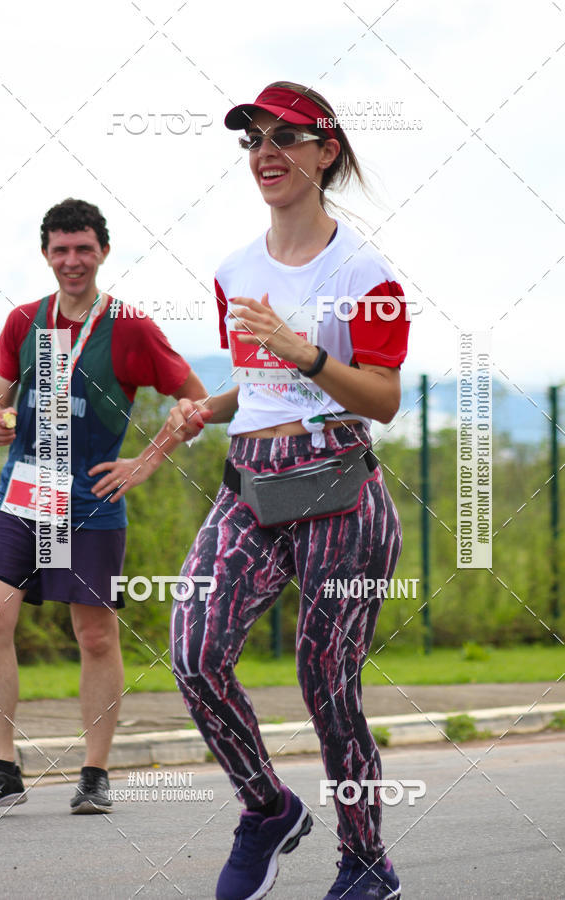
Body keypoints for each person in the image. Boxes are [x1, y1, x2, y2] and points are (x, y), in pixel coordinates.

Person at [167, 82, 410, 899]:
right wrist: (208, 408)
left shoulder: (365, 271)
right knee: (194, 654)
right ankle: (268, 808)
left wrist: (303, 350)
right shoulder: (233, 270)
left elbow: (382, 398)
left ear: (325, 151)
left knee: (325, 682)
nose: (265, 154)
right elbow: (261, 383)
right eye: (253, 141)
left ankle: (366, 862)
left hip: (338, 489)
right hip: (250, 484)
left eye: (284, 138)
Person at [0, 198, 204, 816]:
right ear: (46, 254)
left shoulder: (130, 328)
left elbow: (196, 402)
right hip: (23, 493)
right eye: (61, 250)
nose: (72, 260)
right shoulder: (25, 320)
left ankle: (95, 772)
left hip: (91, 500)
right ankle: (2, 768)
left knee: (94, 635)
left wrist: (145, 461)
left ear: (103, 252)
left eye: (83, 249)